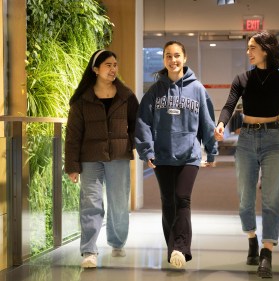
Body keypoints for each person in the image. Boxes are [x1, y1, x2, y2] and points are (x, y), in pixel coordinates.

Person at [214, 31, 279, 278]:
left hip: (272, 140)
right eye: (248, 48)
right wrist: (221, 124)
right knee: (245, 199)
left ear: (266, 50)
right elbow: (229, 105)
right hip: (246, 139)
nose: (248, 52)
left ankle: (266, 252)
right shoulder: (242, 78)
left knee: (271, 198)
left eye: (252, 48)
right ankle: (251, 237)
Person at [135, 41, 218, 269]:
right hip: (162, 155)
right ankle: (173, 250)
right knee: (167, 202)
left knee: (182, 199)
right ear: (164, 60)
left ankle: (180, 248)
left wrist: (211, 150)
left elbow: (207, 123)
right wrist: (147, 150)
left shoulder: (197, 89)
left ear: (185, 57)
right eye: (169, 56)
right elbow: (143, 122)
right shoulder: (154, 91)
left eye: (177, 55)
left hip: (189, 155)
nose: (173, 60)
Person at [64, 50, 139, 268]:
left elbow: (137, 126)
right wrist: (72, 166)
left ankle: (117, 242)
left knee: (118, 202)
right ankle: (89, 250)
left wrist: (130, 145)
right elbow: (73, 136)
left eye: (115, 64)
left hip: (118, 156)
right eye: (108, 65)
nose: (113, 69)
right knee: (90, 203)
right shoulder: (81, 100)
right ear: (95, 69)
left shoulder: (126, 96)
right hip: (90, 158)